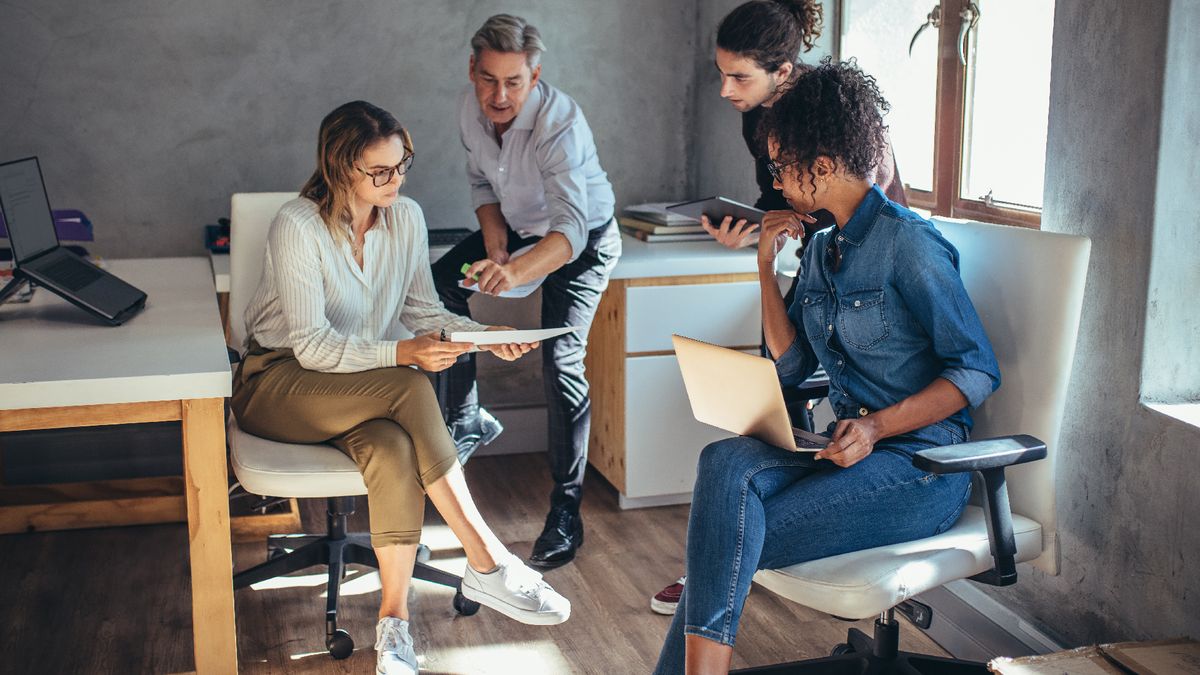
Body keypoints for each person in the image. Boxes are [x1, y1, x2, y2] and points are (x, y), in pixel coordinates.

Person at [653, 60, 1001, 674]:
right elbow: (789, 368)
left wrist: (875, 427)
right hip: (840, 445)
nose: (775, 179)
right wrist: (764, 264)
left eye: (782, 165)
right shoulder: (820, 246)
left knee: (727, 537)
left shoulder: (908, 245)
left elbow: (975, 371)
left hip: (921, 465)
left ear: (823, 164)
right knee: (723, 461)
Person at [231, 100, 571, 675]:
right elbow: (311, 345)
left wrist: (484, 336)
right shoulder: (297, 225)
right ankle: (487, 559)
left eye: (402, 165)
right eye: (380, 171)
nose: (397, 180)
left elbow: (423, 311)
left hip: (356, 385)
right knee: (411, 386)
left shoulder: (405, 218)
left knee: (392, 447)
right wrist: (402, 353)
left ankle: (394, 629)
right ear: (341, 168)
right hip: (278, 381)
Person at [650, 0, 909, 617]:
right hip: (815, 257)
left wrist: (785, 227)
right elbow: (780, 200)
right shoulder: (757, 119)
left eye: (739, 77)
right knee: (768, 390)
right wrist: (755, 230)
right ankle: (735, 549)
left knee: (790, 383)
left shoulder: (838, 112)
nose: (724, 89)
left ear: (784, 72)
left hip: (867, 264)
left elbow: (854, 197)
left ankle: (741, 551)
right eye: (722, 73)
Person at [431, 14, 621, 570]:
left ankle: (566, 515)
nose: (499, 95)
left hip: (579, 242)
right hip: (519, 228)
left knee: (561, 362)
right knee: (439, 285)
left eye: (514, 82)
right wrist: (495, 245)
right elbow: (482, 183)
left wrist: (513, 274)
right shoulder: (472, 109)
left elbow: (571, 230)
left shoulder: (559, 123)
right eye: (489, 79)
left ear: (534, 76)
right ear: (472, 69)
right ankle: (465, 415)